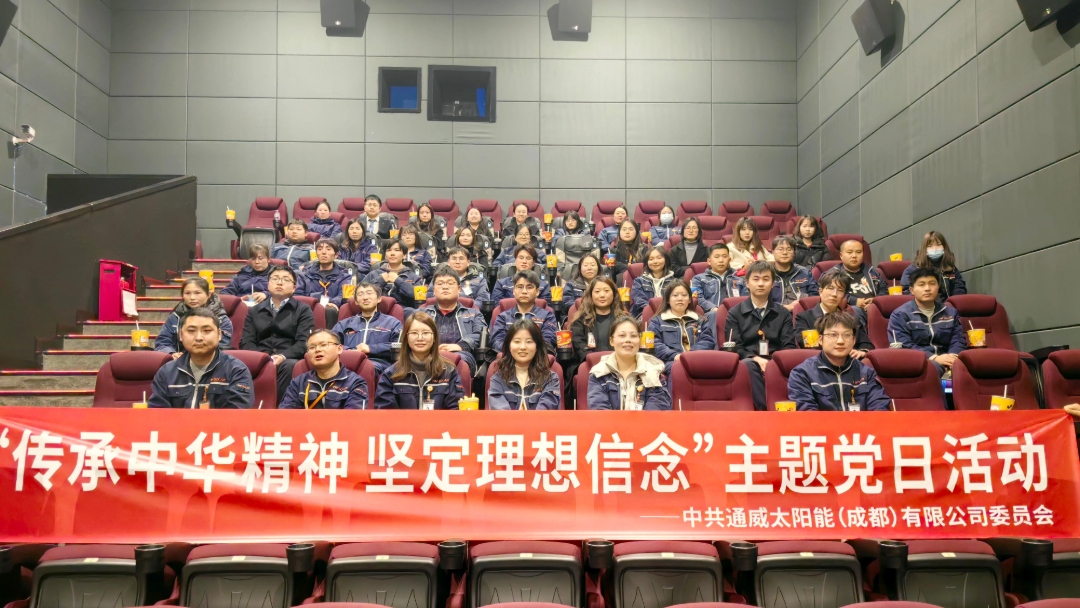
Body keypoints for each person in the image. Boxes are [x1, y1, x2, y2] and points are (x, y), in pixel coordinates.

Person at [724, 261, 797, 410]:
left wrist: (774, 362)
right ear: (747, 283)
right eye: (756, 279)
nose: (761, 284)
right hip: (748, 361)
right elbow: (734, 347)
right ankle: (766, 411)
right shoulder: (735, 313)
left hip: (775, 362)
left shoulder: (783, 313)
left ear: (772, 284)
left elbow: (788, 345)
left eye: (766, 279)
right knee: (748, 365)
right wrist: (755, 358)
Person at [148, 307, 254, 409]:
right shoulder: (167, 372)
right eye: (191, 331)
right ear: (180, 335)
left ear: (219, 335)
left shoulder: (236, 370)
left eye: (206, 330)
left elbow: (237, 416)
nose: (199, 337)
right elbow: (157, 414)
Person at [239, 265, 316, 404]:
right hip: (260, 356)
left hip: (287, 358)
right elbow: (246, 341)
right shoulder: (254, 310)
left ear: (294, 288)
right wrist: (261, 358)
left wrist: (282, 356)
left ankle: (282, 407)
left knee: (289, 366)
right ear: (268, 284)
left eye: (286, 279)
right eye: (275, 279)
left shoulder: (303, 310)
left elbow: (304, 342)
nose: (280, 283)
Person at [788, 311, 892, 411]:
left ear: (854, 340)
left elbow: (880, 408)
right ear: (820, 340)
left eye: (847, 335)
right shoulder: (802, 373)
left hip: (862, 424)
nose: (840, 341)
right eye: (833, 335)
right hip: (821, 424)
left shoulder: (866, 373)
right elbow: (807, 413)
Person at [374, 312, 466, 409]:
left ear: (434, 337)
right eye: (414, 333)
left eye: (425, 333)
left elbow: (455, 411)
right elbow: (385, 413)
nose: (420, 338)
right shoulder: (391, 374)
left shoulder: (449, 372)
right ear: (406, 338)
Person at [888, 267, 966, 376]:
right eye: (921, 284)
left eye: (932, 284)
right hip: (918, 363)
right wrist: (935, 358)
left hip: (948, 361)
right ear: (912, 290)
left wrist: (952, 358)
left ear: (938, 287)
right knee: (933, 368)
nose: (927, 288)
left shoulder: (950, 312)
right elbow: (904, 345)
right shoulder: (900, 315)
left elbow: (958, 339)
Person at [587, 316, 672, 411]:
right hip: (608, 421)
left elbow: (656, 411)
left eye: (633, 336)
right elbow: (599, 410)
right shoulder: (599, 374)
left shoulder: (653, 372)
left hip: (645, 421)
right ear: (611, 341)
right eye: (622, 335)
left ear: (640, 340)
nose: (628, 340)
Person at [414, 267, 486, 376]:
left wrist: (461, 346)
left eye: (450, 283)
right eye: (440, 284)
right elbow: (411, 334)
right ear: (433, 290)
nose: (445, 287)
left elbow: (481, 335)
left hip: (461, 355)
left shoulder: (474, 313)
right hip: (426, 353)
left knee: (457, 362)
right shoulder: (421, 313)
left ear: (459, 289)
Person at [279, 329, 369, 409]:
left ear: (339, 349)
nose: (317, 350)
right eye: (312, 347)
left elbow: (353, 419)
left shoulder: (355, 383)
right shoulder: (298, 383)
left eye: (323, 345)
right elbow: (286, 416)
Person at [794, 269, 873, 357]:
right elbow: (810, 348)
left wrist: (862, 352)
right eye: (830, 288)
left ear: (844, 296)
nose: (834, 294)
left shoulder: (851, 317)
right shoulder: (804, 318)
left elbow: (866, 344)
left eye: (840, 290)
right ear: (820, 291)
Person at [487, 319, 562, 410]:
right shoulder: (497, 380)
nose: (523, 347)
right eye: (517, 341)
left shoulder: (550, 379)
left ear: (537, 347)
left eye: (529, 342)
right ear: (509, 346)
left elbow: (544, 413)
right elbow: (502, 414)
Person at [647, 281, 716, 377]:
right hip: (670, 361)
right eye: (675, 295)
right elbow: (655, 344)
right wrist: (674, 356)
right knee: (678, 368)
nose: (680, 299)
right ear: (668, 300)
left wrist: (690, 356)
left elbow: (707, 341)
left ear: (689, 299)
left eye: (684, 295)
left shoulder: (700, 320)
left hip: (696, 359)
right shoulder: (657, 321)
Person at [332, 282, 401, 375]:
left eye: (369, 293)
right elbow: (331, 344)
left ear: (379, 298)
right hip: (348, 362)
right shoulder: (343, 324)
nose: (365, 297)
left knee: (366, 367)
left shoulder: (393, 323)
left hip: (379, 365)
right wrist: (351, 352)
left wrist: (370, 348)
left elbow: (400, 346)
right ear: (356, 301)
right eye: (360, 294)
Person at [155, 277, 233, 357]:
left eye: (197, 293)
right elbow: (162, 343)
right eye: (187, 293)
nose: (192, 298)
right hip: (177, 361)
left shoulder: (221, 319)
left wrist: (189, 358)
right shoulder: (175, 317)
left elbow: (222, 348)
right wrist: (171, 353)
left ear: (208, 295)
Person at [491, 270, 559, 351]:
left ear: (537, 292)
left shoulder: (547, 316)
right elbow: (496, 342)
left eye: (529, 287)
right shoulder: (503, 317)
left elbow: (548, 342)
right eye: (520, 287)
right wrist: (517, 350)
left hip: (538, 358)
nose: (524, 291)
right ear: (513, 291)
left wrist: (528, 351)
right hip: (508, 357)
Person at [570, 277, 627, 364]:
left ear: (614, 294)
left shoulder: (623, 320)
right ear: (591, 295)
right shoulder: (580, 320)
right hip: (589, 363)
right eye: (597, 291)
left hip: (618, 363)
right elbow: (579, 345)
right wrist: (595, 360)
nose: (602, 295)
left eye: (606, 291)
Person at [901, 231, 967, 301]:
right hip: (923, 305)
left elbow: (959, 288)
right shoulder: (914, 269)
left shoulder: (951, 269)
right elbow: (907, 291)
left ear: (944, 247)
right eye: (930, 246)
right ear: (924, 249)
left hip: (947, 305)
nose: (935, 248)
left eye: (938, 244)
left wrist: (952, 303)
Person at [296, 239, 350, 320]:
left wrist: (331, 303)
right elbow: (298, 295)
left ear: (336, 255)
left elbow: (343, 297)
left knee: (330, 310)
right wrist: (320, 299)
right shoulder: (304, 274)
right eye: (320, 249)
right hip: (307, 309)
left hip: (333, 312)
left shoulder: (345, 276)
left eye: (328, 249)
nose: (323, 252)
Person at [363, 238, 424, 309]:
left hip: (403, 311)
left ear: (404, 255)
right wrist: (381, 280)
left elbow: (418, 297)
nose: (392, 253)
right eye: (389, 250)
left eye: (397, 250)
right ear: (385, 255)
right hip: (377, 309)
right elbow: (360, 292)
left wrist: (398, 280)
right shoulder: (373, 274)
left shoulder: (414, 277)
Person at [690, 243, 744, 313]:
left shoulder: (739, 279)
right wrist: (714, 308)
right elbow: (698, 299)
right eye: (717, 257)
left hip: (736, 313)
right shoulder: (698, 279)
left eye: (724, 256)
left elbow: (746, 299)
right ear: (709, 261)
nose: (721, 260)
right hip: (710, 313)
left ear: (729, 260)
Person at [771, 235, 819, 308]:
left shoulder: (804, 272)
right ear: (773, 252)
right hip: (774, 312)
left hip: (802, 311)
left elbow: (814, 296)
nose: (785, 252)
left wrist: (801, 305)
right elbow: (761, 301)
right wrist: (783, 308)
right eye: (780, 249)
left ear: (794, 252)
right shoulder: (766, 274)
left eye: (789, 249)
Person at [629, 246, 676, 317]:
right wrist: (654, 312)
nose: (655, 262)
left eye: (659, 258)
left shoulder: (674, 282)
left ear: (666, 260)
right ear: (647, 262)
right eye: (651, 259)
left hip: (668, 315)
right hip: (644, 314)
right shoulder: (639, 281)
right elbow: (639, 301)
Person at [838, 239, 886, 309]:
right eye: (849, 252)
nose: (854, 256)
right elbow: (832, 293)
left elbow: (884, 291)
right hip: (849, 310)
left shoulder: (872, 271)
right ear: (841, 255)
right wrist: (854, 301)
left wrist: (875, 301)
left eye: (858, 252)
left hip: (874, 309)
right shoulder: (834, 274)